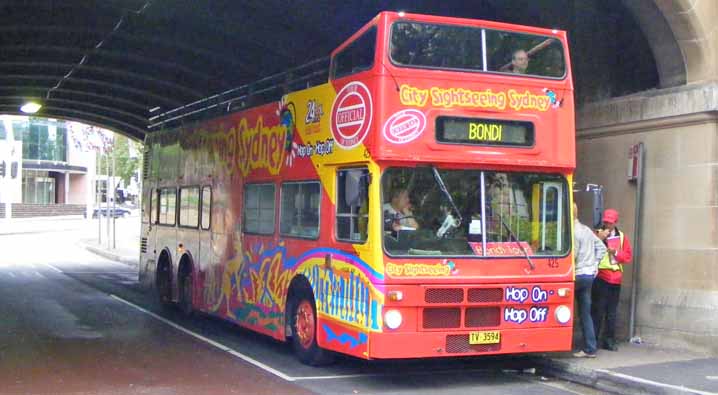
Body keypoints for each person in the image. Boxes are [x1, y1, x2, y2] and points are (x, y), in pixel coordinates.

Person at [591, 208, 633, 351]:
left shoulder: (621, 237)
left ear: (615, 222)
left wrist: (615, 252)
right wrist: (600, 238)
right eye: (606, 222)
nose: (608, 225)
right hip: (601, 276)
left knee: (611, 312)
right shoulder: (597, 233)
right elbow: (588, 250)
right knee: (598, 310)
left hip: (615, 278)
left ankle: (609, 340)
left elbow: (627, 257)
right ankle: (593, 340)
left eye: (610, 222)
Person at [572, 203, 607, 358]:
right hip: (588, 275)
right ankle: (590, 348)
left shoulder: (573, 231)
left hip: (577, 274)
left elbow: (573, 255)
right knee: (585, 313)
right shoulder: (586, 230)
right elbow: (602, 248)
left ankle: (568, 342)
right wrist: (594, 266)